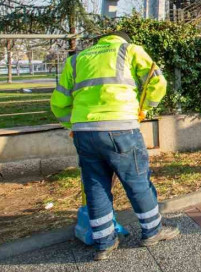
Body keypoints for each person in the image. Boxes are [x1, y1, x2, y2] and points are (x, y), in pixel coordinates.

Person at [50, 31, 179, 260]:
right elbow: (158, 81)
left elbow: (58, 102)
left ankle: (104, 242)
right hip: (121, 128)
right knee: (137, 180)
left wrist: (71, 124)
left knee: (95, 186)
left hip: (84, 132)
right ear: (124, 39)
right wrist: (145, 109)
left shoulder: (76, 60)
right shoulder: (129, 50)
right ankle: (152, 231)